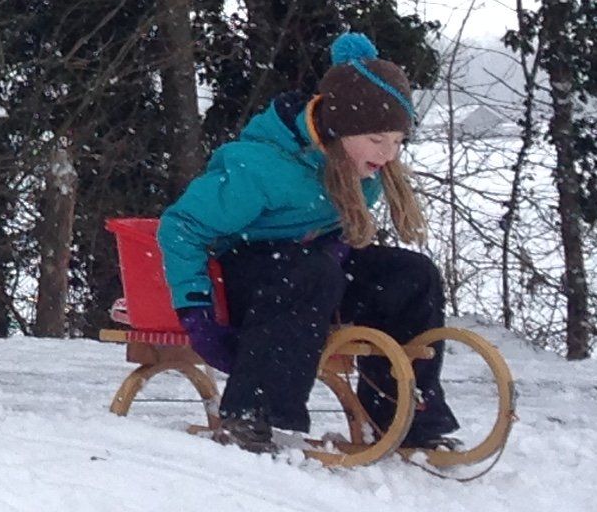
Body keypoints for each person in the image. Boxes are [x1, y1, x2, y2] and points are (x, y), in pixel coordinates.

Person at [156, 31, 455, 453]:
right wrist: (196, 314)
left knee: (412, 274)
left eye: (397, 141)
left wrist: (335, 248)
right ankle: (253, 413)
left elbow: (335, 232)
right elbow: (181, 227)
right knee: (310, 271)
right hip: (247, 276)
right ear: (340, 129)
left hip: (316, 273)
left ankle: (405, 414)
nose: (388, 154)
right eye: (377, 140)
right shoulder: (259, 168)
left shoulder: (361, 169)